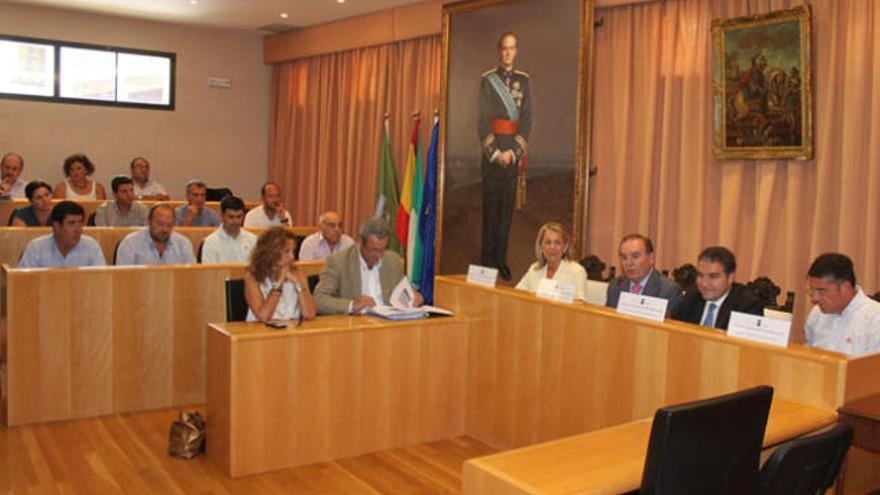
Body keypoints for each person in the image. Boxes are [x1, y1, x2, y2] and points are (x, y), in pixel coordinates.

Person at [479, 31, 531, 281]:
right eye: (504, 48)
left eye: (512, 48)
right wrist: (495, 152)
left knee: (505, 214)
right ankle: (487, 261)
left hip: (512, 156)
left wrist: (513, 152)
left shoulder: (525, 81)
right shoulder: (488, 80)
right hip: (492, 158)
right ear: (499, 51)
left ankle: (500, 260)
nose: (508, 53)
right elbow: (481, 121)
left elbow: (527, 121)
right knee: (490, 212)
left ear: (516, 51)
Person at [314, 218, 423, 315]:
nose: (379, 256)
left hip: (389, 325)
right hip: (357, 327)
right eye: (374, 250)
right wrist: (352, 305)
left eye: (383, 249)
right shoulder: (338, 262)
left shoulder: (393, 260)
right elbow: (319, 300)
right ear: (361, 242)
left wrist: (415, 297)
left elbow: (405, 292)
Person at [671, 246, 764, 330]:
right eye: (700, 275)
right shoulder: (692, 297)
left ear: (730, 278)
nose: (704, 284)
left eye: (713, 277)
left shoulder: (747, 305)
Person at [804, 253, 880, 356]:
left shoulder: (875, 319)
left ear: (845, 288)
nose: (815, 298)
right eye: (812, 291)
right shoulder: (817, 314)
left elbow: (874, 369)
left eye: (822, 291)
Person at [245, 228, 316, 322]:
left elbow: (309, 314)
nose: (292, 257)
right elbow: (263, 316)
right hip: (261, 331)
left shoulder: (298, 273)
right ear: (272, 253)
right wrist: (279, 282)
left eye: (293, 251)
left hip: (291, 330)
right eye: (287, 251)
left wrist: (298, 284)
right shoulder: (253, 277)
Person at [605, 234, 681, 314]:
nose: (629, 263)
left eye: (635, 256)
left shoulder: (668, 290)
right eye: (624, 257)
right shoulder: (615, 285)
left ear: (651, 258)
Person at [18, 201, 106, 268]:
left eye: (80, 223)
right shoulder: (36, 248)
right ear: (57, 226)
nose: (78, 229)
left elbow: (101, 280)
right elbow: (23, 281)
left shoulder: (91, 246)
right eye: (71, 223)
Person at [515, 222, 586, 301]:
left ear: (565, 247)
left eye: (557, 243)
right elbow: (517, 294)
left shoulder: (577, 271)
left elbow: (579, 304)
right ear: (541, 247)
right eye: (548, 242)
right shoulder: (534, 269)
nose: (552, 247)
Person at [116, 203, 195, 265]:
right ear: (149, 221)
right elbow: (122, 277)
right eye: (160, 224)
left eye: (169, 225)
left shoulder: (183, 244)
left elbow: (191, 276)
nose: (164, 229)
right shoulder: (130, 243)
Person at [201, 195, 257, 263]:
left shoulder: (253, 240)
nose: (236, 221)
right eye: (231, 217)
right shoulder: (210, 242)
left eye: (239, 217)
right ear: (222, 216)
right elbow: (210, 272)